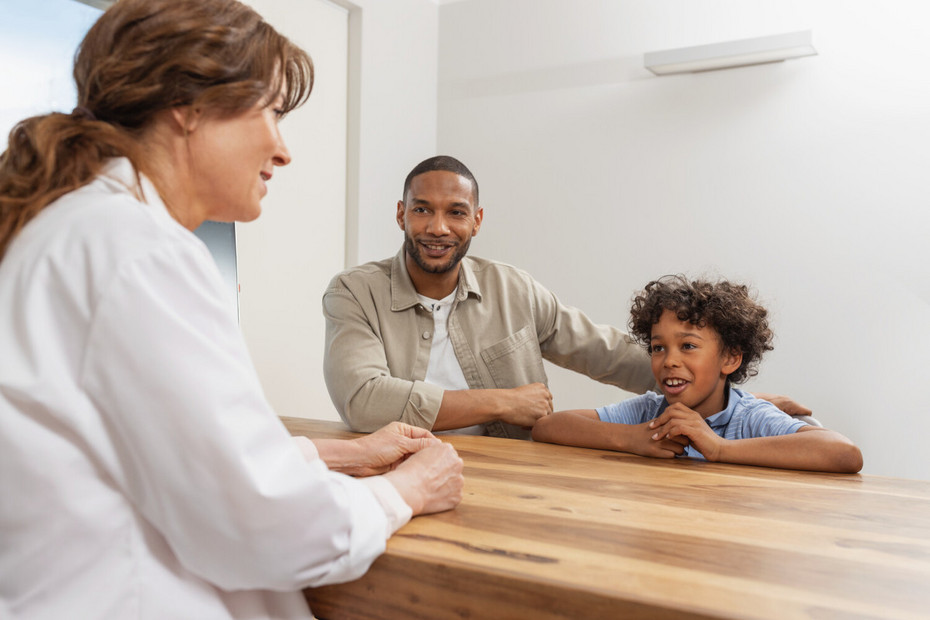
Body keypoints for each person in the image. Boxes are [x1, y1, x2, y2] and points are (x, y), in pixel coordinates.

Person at [0, 2, 463, 619]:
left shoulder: (76, 229)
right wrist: (404, 491)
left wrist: (339, 453)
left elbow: (158, 454)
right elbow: (266, 529)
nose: (282, 150)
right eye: (272, 112)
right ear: (187, 107)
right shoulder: (139, 251)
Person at [323, 156, 812, 440]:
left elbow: (609, 353)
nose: (437, 227)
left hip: (513, 477)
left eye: (455, 212)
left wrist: (722, 398)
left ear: (476, 220)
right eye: (421, 210)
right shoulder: (354, 292)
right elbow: (363, 402)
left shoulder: (513, 289)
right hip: (394, 471)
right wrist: (500, 403)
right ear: (400, 215)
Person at [532, 276, 863, 473]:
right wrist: (632, 439)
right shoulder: (650, 413)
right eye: (658, 348)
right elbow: (548, 427)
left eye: (688, 346)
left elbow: (844, 453)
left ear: (731, 358)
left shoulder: (749, 418)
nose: (669, 361)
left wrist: (718, 448)